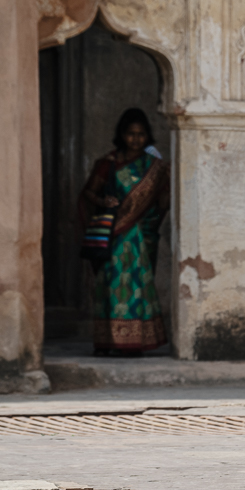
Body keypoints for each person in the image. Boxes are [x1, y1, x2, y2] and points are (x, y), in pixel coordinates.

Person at [80, 108, 170, 356]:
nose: (136, 139)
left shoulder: (155, 168)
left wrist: (151, 223)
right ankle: (109, 341)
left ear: (147, 136)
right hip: (114, 234)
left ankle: (133, 343)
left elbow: (164, 200)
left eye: (141, 135)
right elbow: (88, 193)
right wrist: (103, 202)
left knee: (137, 287)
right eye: (131, 134)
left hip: (142, 235)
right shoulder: (107, 164)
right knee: (112, 287)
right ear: (122, 135)